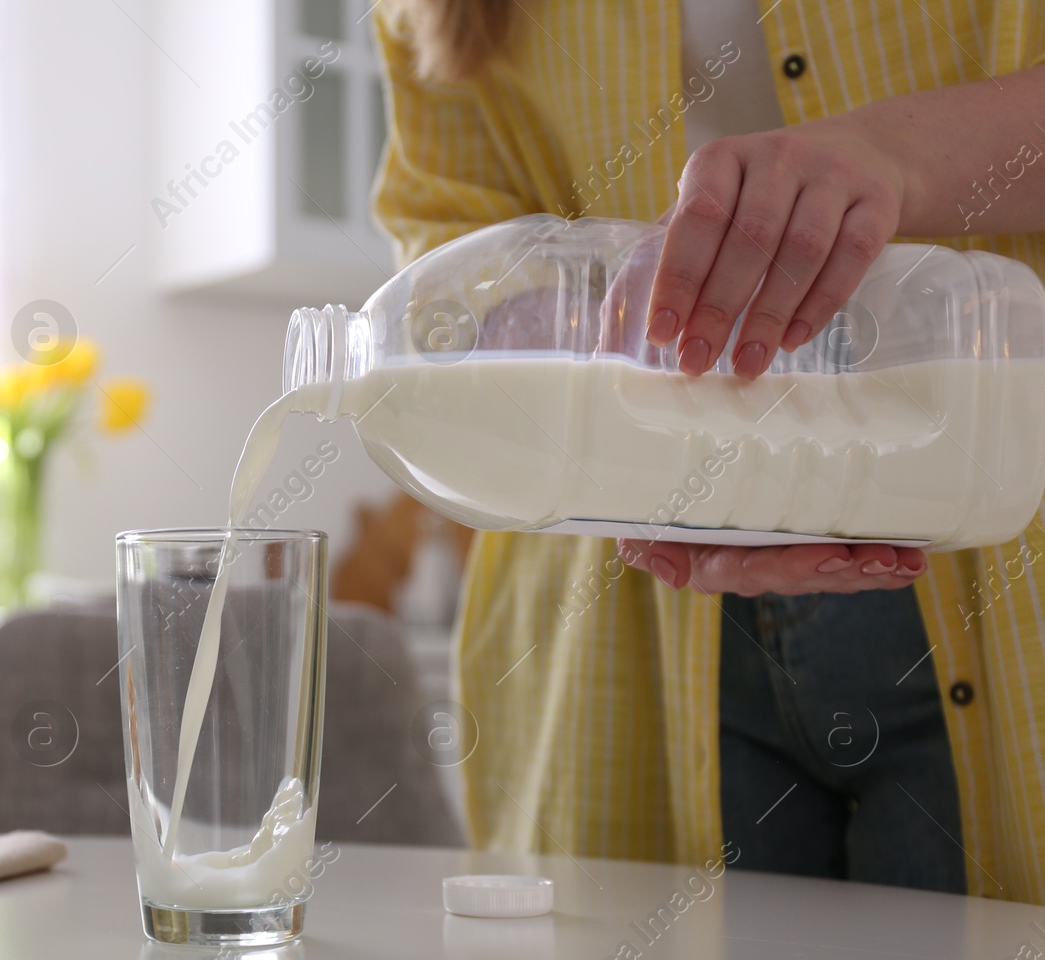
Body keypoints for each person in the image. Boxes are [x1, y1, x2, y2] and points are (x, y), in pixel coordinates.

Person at [373, 0, 1045, 901]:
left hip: (1008, 562)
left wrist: (896, 155)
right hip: (627, 613)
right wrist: (631, 452)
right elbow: (450, 239)